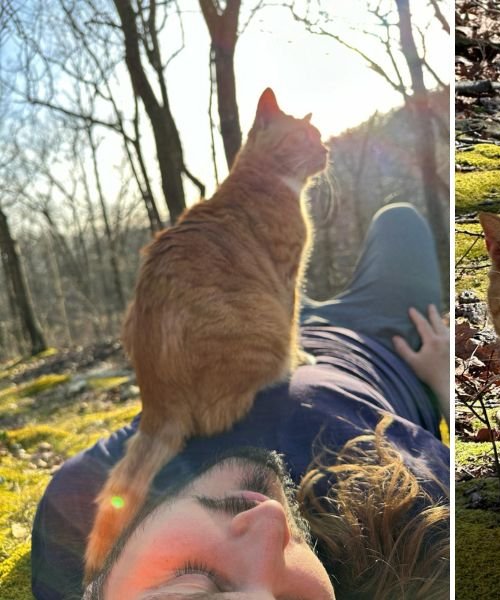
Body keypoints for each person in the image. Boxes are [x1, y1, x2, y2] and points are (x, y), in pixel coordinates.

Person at [30, 203, 450, 599]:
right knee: (400, 220)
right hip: (381, 340)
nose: (271, 522)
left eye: (195, 592)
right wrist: (442, 380)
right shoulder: (417, 520)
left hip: (256, 324)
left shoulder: (76, 512)